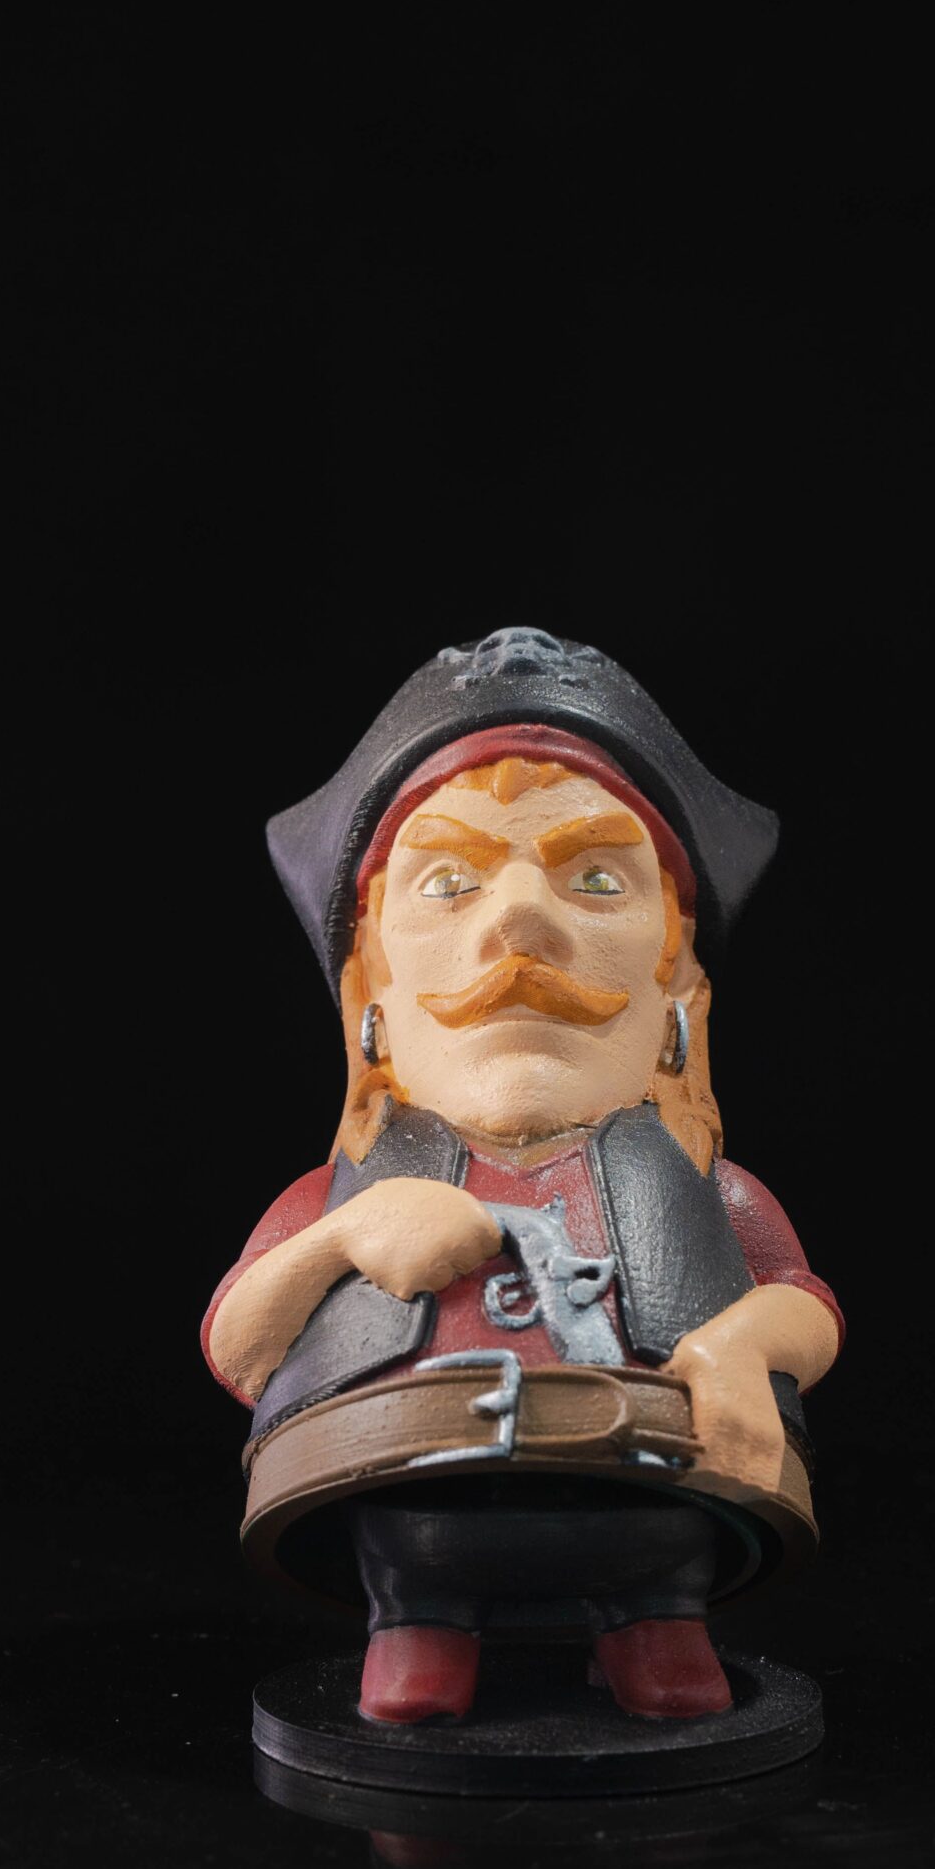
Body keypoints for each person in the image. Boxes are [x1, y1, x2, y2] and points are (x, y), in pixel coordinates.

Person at [203, 631, 841, 1724]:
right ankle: (418, 1629)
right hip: (414, 1492)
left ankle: (654, 1625)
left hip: (652, 1485)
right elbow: (240, 1345)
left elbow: (803, 1303)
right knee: (418, 1574)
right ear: (370, 988)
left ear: (676, 980)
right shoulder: (341, 1196)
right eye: (448, 881)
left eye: (596, 878)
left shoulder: (709, 1192)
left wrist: (743, 1344)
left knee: (658, 1587)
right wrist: (343, 1237)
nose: (519, 923)